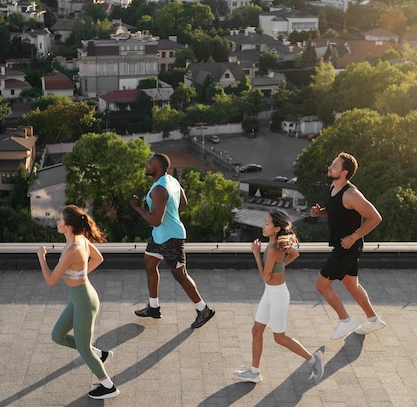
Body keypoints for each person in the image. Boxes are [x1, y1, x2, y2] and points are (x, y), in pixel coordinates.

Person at [37, 205, 119, 400]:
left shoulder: (72, 249)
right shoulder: (79, 240)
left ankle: (108, 386)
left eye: (60, 220)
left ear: (68, 226)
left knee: (83, 347)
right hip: (80, 296)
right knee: (58, 335)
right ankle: (99, 354)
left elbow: (50, 281)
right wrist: (79, 275)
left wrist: (41, 258)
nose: (57, 222)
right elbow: (98, 258)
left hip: (84, 301)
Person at [233, 210, 324, 384]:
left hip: (278, 295)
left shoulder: (274, 248)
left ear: (276, 229)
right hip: (271, 292)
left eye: (267, 224)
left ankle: (314, 359)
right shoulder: (278, 244)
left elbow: (265, 276)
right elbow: (294, 254)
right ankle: (254, 372)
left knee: (279, 337)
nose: (263, 226)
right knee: (256, 330)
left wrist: (256, 254)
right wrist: (280, 268)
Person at [130, 153, 215, 329]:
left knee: (180, 275)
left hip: (170, 238)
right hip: (159, 235)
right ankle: (153, 307)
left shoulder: (159, 190)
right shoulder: (172, 181)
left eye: (149, 163)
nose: (146, 165)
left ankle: (204, 309)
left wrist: (138, 208)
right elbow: (183, 202)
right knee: (150, 264)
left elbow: (155, 220)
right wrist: (170, 214)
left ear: (159, 167)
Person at [310, 152, 385, 340]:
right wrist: (320, 213)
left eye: (334, 166)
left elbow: (375, 217)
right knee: (351, 284)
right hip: (344, 245)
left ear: (344, 172)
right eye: (331, 164)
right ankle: (373, 319)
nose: (330, 167)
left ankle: (345, 321)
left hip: (348, 246)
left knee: (321, 285)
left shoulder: (351, 194)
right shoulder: (334, 187)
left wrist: (354, 236)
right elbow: (337, 210)